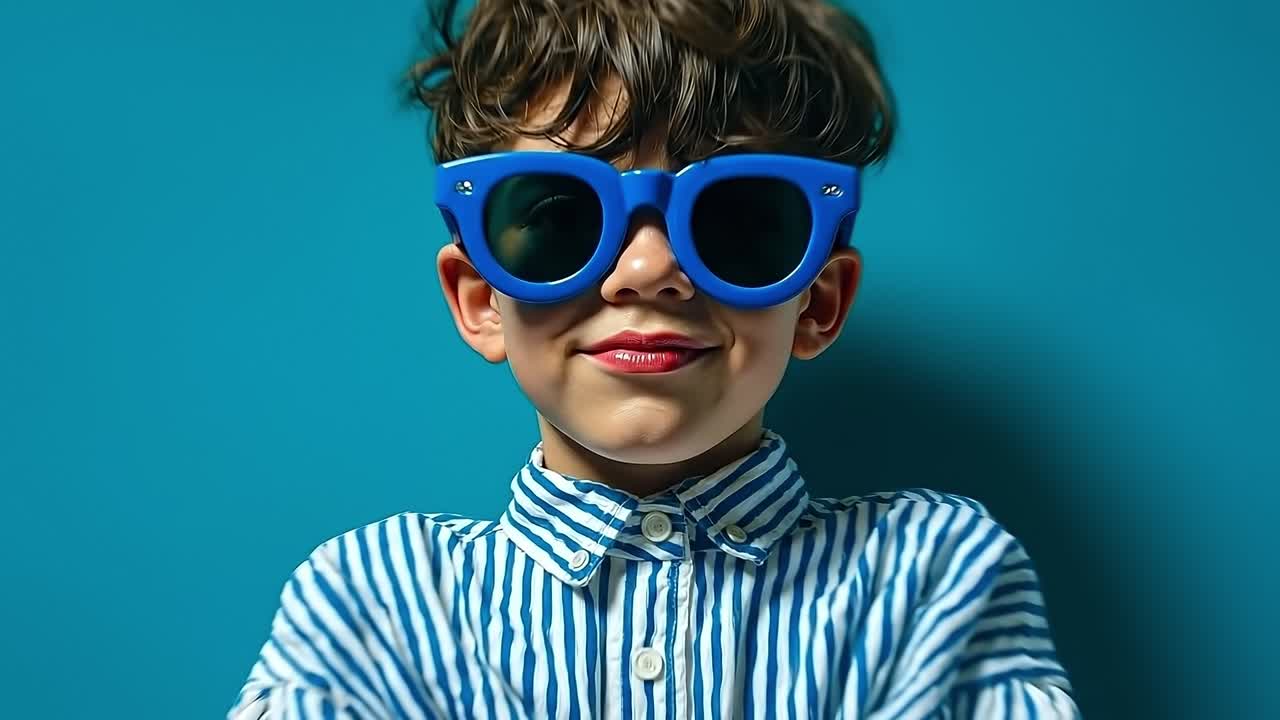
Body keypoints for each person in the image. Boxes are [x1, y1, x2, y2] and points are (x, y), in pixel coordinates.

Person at [229, 0, 1080, 717]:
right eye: (563, 217)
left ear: (819, 301)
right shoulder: (377, 603)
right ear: (480, 299)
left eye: (738, 220)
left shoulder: (932, 578)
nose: (647, 271)